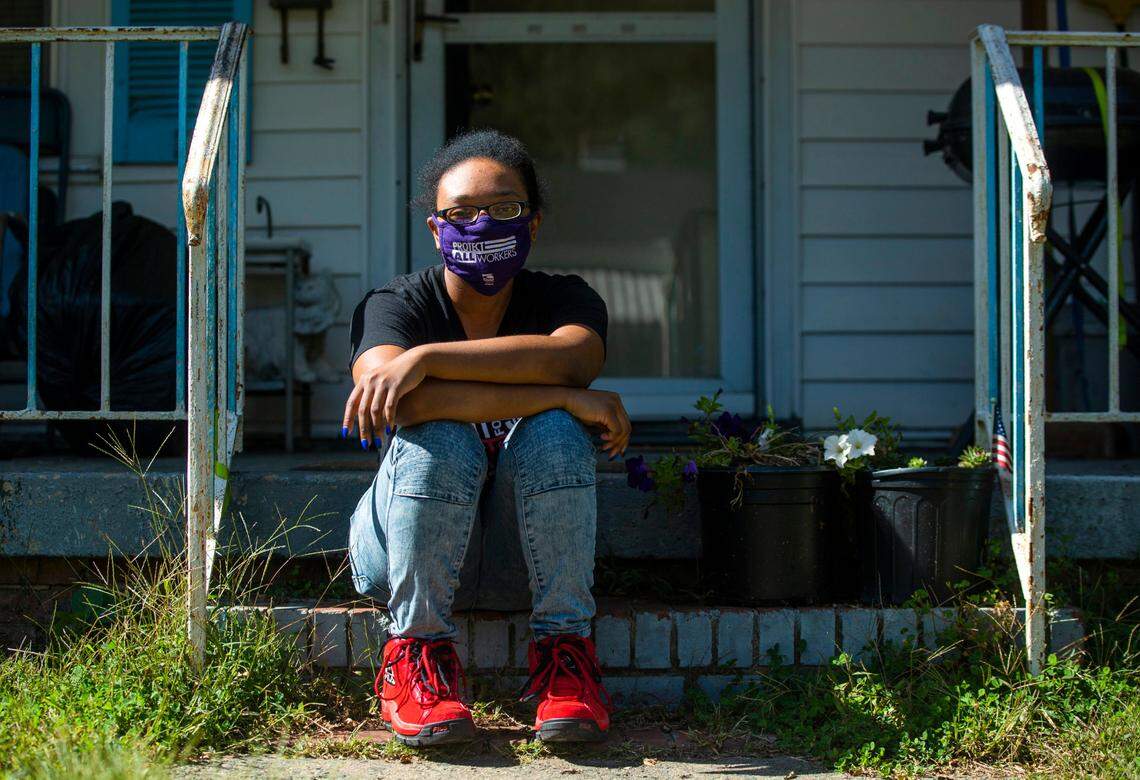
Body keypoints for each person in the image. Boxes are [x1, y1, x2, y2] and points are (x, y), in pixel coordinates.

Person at [344, 129, 632, 747]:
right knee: (440, 433)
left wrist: (427, 361)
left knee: (556, 432)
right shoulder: (393, 305)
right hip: (396, 558)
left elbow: (573, 361)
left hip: (519, 558)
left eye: (504, 209)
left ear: (532, 224)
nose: (482, 225)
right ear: (434, 228)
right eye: (462, 213)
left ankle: (566, 658)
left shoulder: (564, 298)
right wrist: (556, 393)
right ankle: (414, 655)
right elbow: (392, 398)